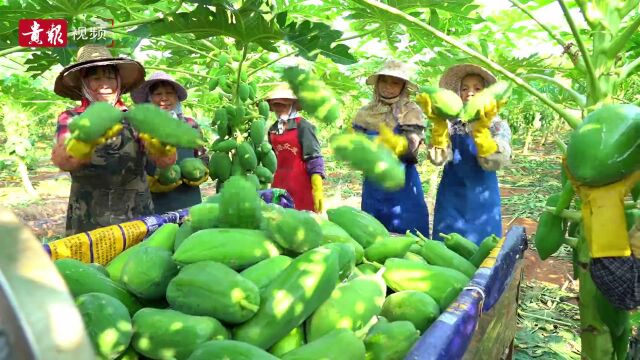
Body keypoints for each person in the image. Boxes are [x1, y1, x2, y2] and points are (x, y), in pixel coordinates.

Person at [51, 44, 176, 235]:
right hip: (88, 216)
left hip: (136, 213)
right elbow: (65, 160)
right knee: (91, 264)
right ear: (84, 82)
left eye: (110, 77)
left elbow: (163, 161)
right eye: (96, 77)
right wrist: (71, 152)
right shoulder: (71, 118)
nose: (104, 83)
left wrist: (164, 150)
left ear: (118, 81)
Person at [423, 64, 512, 245]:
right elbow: (437, 160)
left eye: (477, 89)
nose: (470, 93)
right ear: (459, 93)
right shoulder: (449, 124)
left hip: (483, 199)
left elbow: (497, 163)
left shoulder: (497, 125)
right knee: (445, 250)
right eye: (465, 88)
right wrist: (438, 127)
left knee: (482, 252)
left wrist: (480, 131)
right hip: (451, 197)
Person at [352, 60, 430, 236]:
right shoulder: (365, 113)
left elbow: (411, 151)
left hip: (403, 189)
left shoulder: (410, 111)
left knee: (410, 242)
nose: (388, 87)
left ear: (403, 86)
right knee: (373, 240)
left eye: (395, 82)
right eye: (384, 81)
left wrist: (392, 143)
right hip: (373, 188)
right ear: (377, 83)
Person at [131, 71, 209, 213]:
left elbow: (202, 155)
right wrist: (148, 181)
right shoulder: (139, 128)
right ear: (149, 98)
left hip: (189, 199)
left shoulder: (190, 125)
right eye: (158, 94)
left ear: (177, 98)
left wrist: (202, 170)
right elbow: (131, 164)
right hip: (154, 202)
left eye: (169, 93)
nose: (164, 98)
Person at [266, 83, 324, 213]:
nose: (280, 109)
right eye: (276, 105)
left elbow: (314, 158)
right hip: (279, 182)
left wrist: (317, 187)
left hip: (301, 183)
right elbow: (270, 157)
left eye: (284, 105)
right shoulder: (273, 129)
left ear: (292, 105)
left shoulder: (304, 126)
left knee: (301, 221)